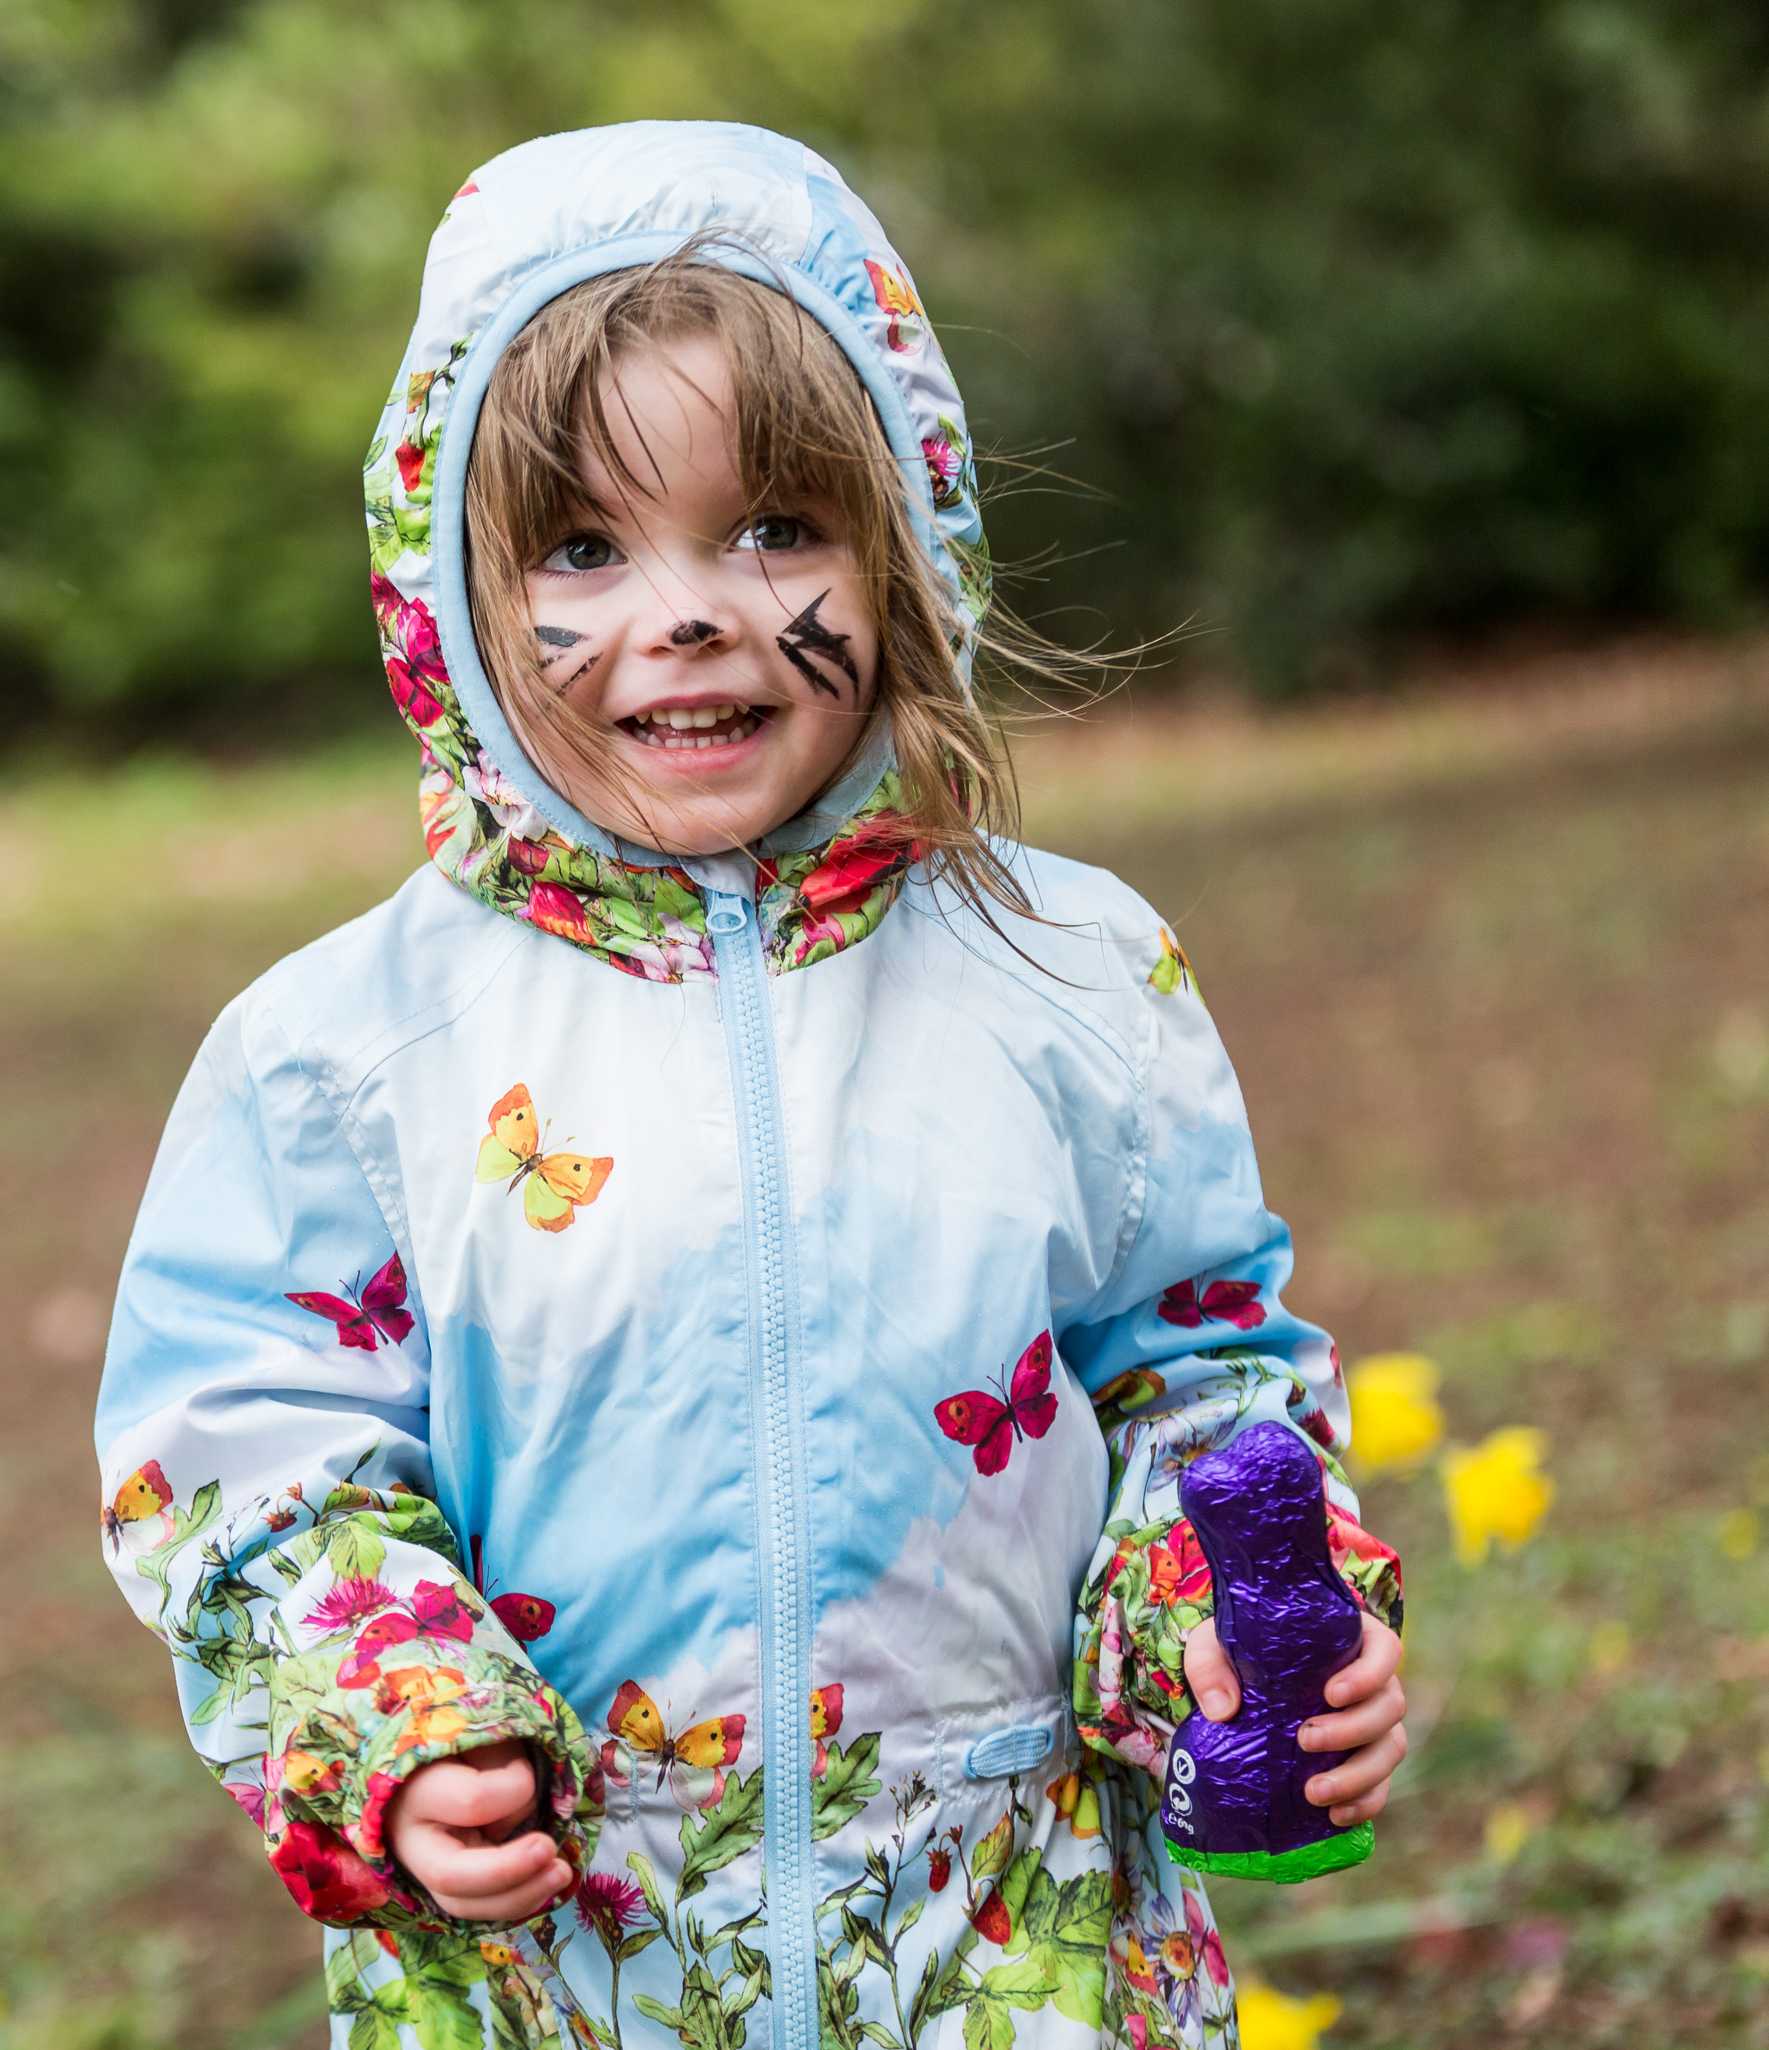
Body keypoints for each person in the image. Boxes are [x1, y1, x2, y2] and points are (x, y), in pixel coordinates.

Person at [93, 124, 1406, 2049]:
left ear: (908, 536)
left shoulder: (1072, 970)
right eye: (584, 548)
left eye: (776, 529)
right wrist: (397, 1717)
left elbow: (1192, 1365)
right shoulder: (346, 1049)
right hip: (562, 1967)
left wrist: (1227, 1614)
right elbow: (250, 1464)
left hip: (1019, 1942)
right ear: (447, 597)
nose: (691, 610)